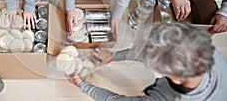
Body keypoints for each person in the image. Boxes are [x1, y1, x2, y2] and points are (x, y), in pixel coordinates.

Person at [67, 23, 227, 100]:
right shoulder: (205, 49)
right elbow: (158, 49)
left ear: (175, 78)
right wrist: (113, 56)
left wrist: (81, 84)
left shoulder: (165, 99)